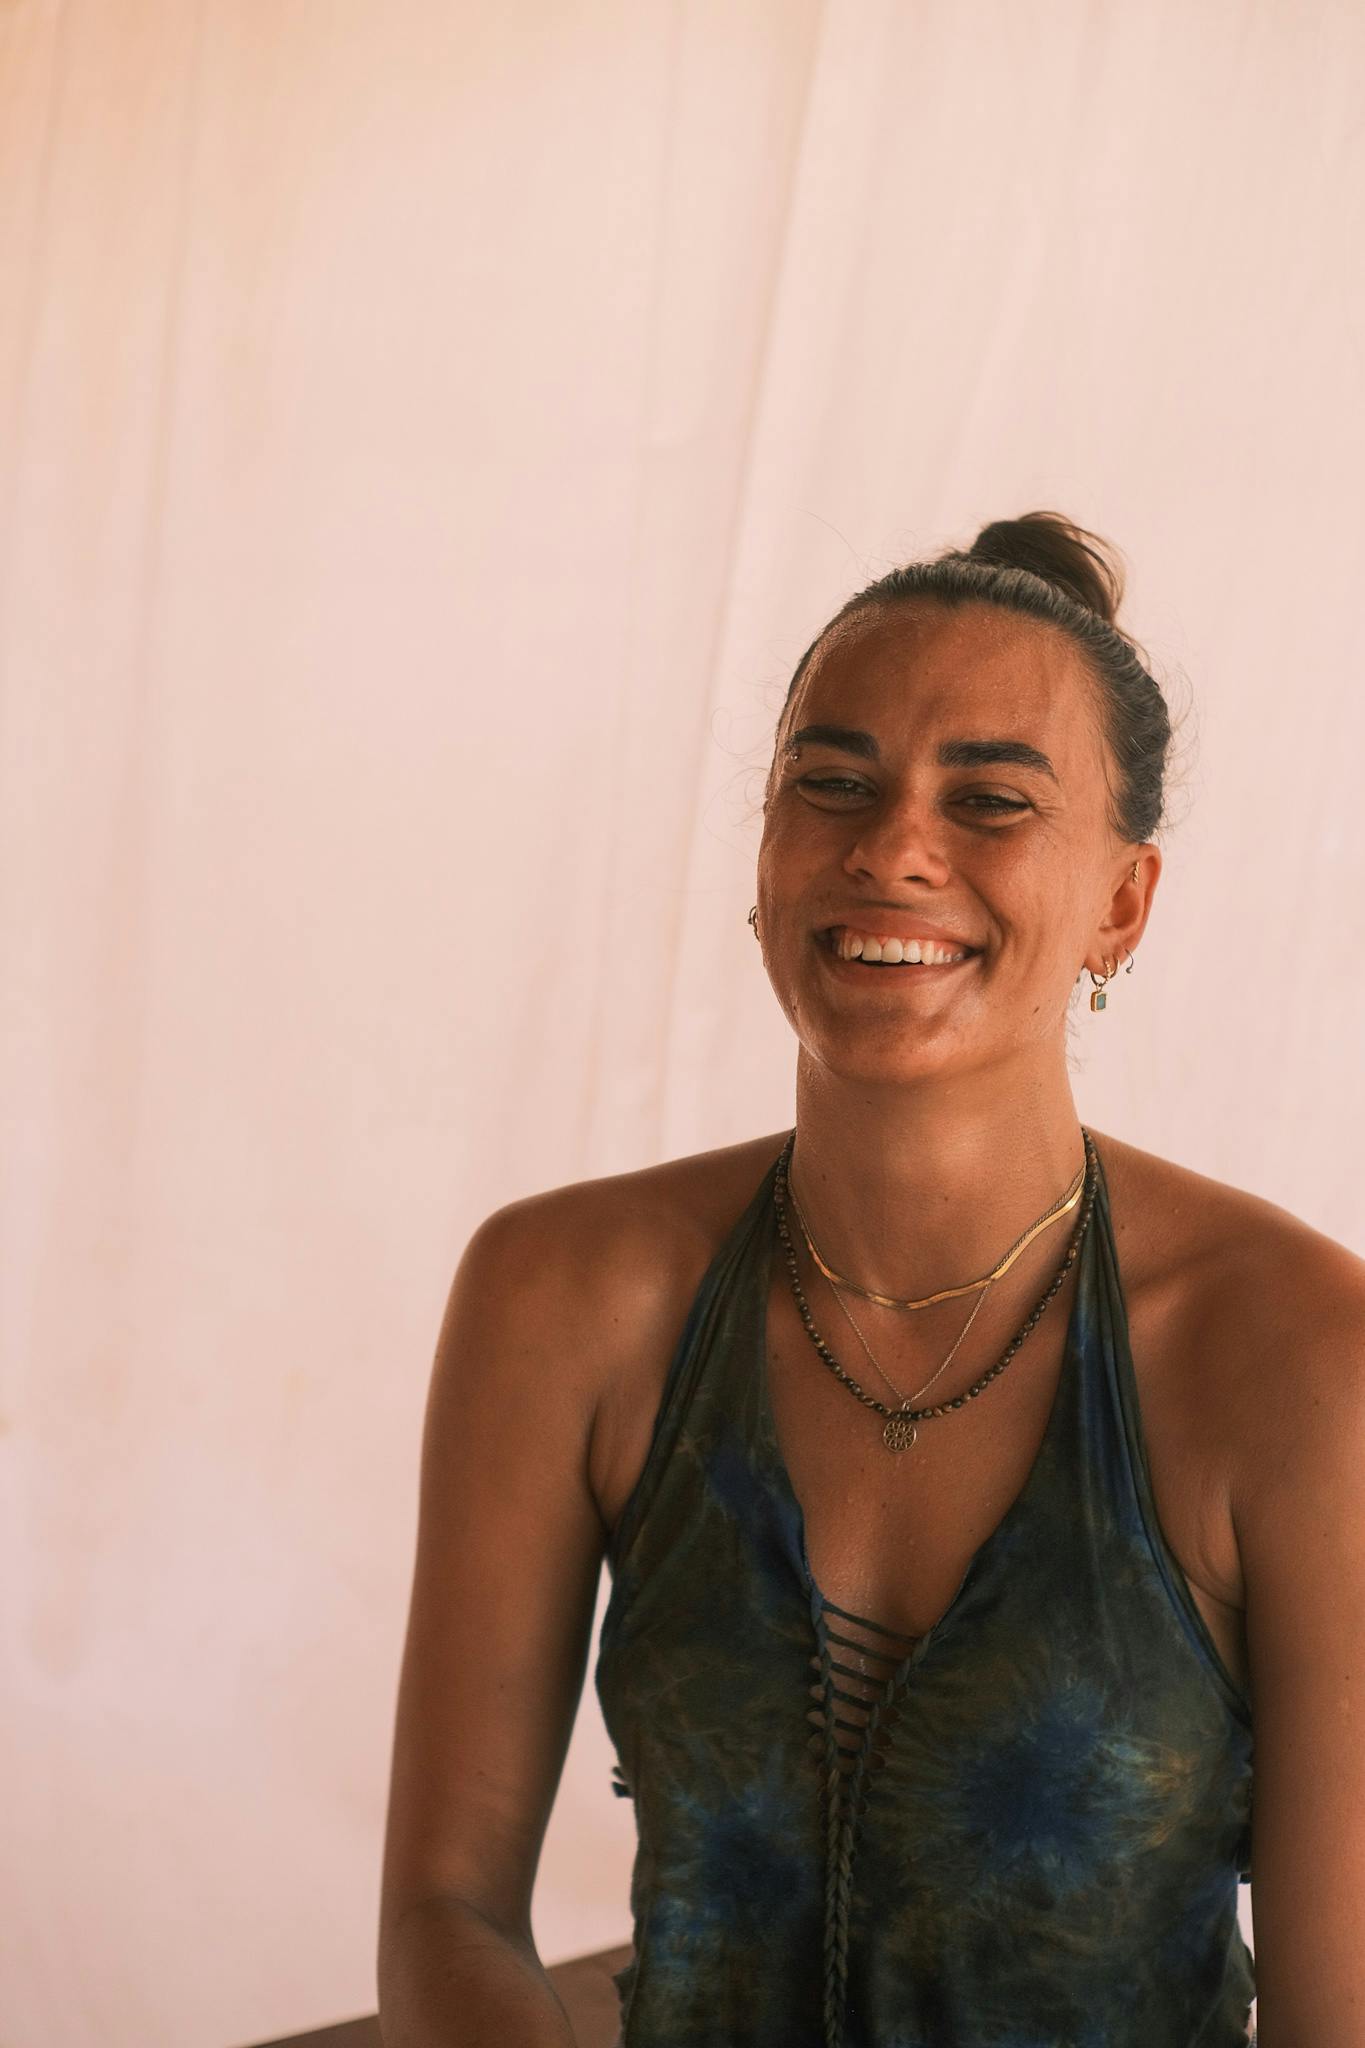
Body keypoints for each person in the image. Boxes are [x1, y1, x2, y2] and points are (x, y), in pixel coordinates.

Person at [377, 513, 1365, 2048]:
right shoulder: (563, 1297)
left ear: (1120, 903)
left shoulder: (1298, 1353)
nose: (892, 847)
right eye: (829, 783)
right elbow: (447, 1917)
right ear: (767, 856)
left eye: (988, 801)